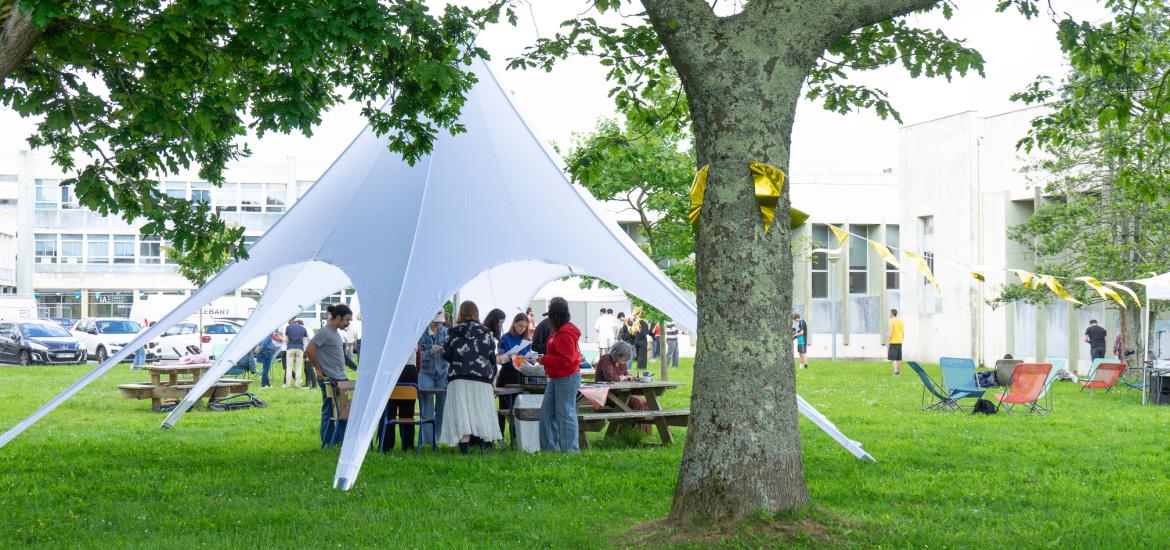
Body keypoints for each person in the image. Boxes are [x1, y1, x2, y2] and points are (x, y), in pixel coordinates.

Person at [441, 301, 503, 454]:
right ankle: (482, 448)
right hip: (482, 378)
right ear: (476, 313)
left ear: (460, 313)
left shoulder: (452, 332)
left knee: (462, 413)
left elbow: (447, 355)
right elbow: (491, 357)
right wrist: (492, 373)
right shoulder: (487, 333)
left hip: (459, 377)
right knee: (481, 411)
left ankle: (464, 451)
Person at [539, 297, 582, 452]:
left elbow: (566, 360)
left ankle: (570, 451)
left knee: (565, 413)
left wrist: (544, 359)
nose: (548, 319)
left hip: (567, 377)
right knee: (546, 414)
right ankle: (549, 450)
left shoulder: (565, 334)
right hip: (557, 377)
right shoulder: (557, 332)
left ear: (556, 317)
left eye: (550, 316)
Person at [307, 304, 353, 447]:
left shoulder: (336, 333)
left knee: (343, 412)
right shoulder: (325, 332)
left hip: (341, 378)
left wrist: (357, 368)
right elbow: (309, 348)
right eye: (346, 320)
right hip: (330, 379)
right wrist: (319, 370)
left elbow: (342, 357)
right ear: (338, 318)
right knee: (329, 411)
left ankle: (339, 442)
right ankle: (327, 442)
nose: (348, 323)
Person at [594, 341, 650, 432]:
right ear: (617, 354)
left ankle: (640, 433)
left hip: (619, 394)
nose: (625, 361)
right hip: (606, 396)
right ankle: (631, 432)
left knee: (645, 403)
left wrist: (632, 378)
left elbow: (626, 375)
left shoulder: (621, 363)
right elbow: (611, 378)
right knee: (636, 402)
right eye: (624, 358)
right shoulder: (605, 359)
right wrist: (624, 377)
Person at [378, 345, 419, 452]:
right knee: (407, 413)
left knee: (389, 413)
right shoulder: (413, 332)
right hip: (410, 371)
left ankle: (385, 446)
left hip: (391, 369)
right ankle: (408, 445)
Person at [417, 311, 449, 447]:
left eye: (440, 322)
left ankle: (439, 437)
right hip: (425, 371)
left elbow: (451, 353)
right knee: (427, 406)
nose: (438, 324)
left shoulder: (446, 332)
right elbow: (416, 355)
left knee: (442, 406)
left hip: (442, 371)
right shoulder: (420, 332)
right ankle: (429, 442)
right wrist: (430, 351)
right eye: (435, 321)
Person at [496, 313, 530, 438]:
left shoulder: (526, 340)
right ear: (514, 323)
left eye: (524, 327)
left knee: (518, 407)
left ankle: (516, 437)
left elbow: (528, 355)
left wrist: (529, 359)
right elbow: (500, 358)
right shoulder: (505, 338)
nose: (521, 329)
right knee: (504, 407)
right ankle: (500, 437)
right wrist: (513, 357)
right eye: (520, 326)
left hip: (521, 374)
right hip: (507, 375)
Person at [619, 307, 652, 372]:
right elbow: (645, 332)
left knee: (639, 355)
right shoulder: (643, 322)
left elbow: (633, 333)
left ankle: (639, 367)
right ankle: (641, 367)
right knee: (643, 355)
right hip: (642, 341)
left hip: (636, 341)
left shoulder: (635, 324)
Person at [283, 318, 308, 388]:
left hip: (290, 347)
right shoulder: (303, 328)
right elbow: (304, 340)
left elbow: (286, 340)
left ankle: (288, 384)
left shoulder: (288, 327)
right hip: (300, 348)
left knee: (289, 367)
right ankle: (297, 385)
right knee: (299, 367)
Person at [887, 309, 904, 376]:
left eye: (890, 313)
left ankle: (895, 372)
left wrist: (888, 342)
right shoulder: (900, 321)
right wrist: (901, 339)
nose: (889, 314)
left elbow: (891, 332)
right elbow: (903, 333)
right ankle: (898, 373)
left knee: (894, 359)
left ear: (892, 313)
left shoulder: (891, 321)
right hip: (900, 342)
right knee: (899, 358)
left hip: (893, 342)